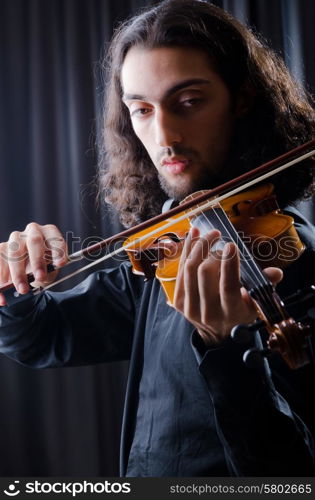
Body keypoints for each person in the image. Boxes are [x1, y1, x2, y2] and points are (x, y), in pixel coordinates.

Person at [0, 0, 314, 477]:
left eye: (188, 102)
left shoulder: (295, 260)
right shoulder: (169, 247)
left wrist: (226, 347)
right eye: (141, 110)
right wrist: (12, 285)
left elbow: (291, 474)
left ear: (243, 98)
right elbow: (46, 336)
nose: (164, 135)